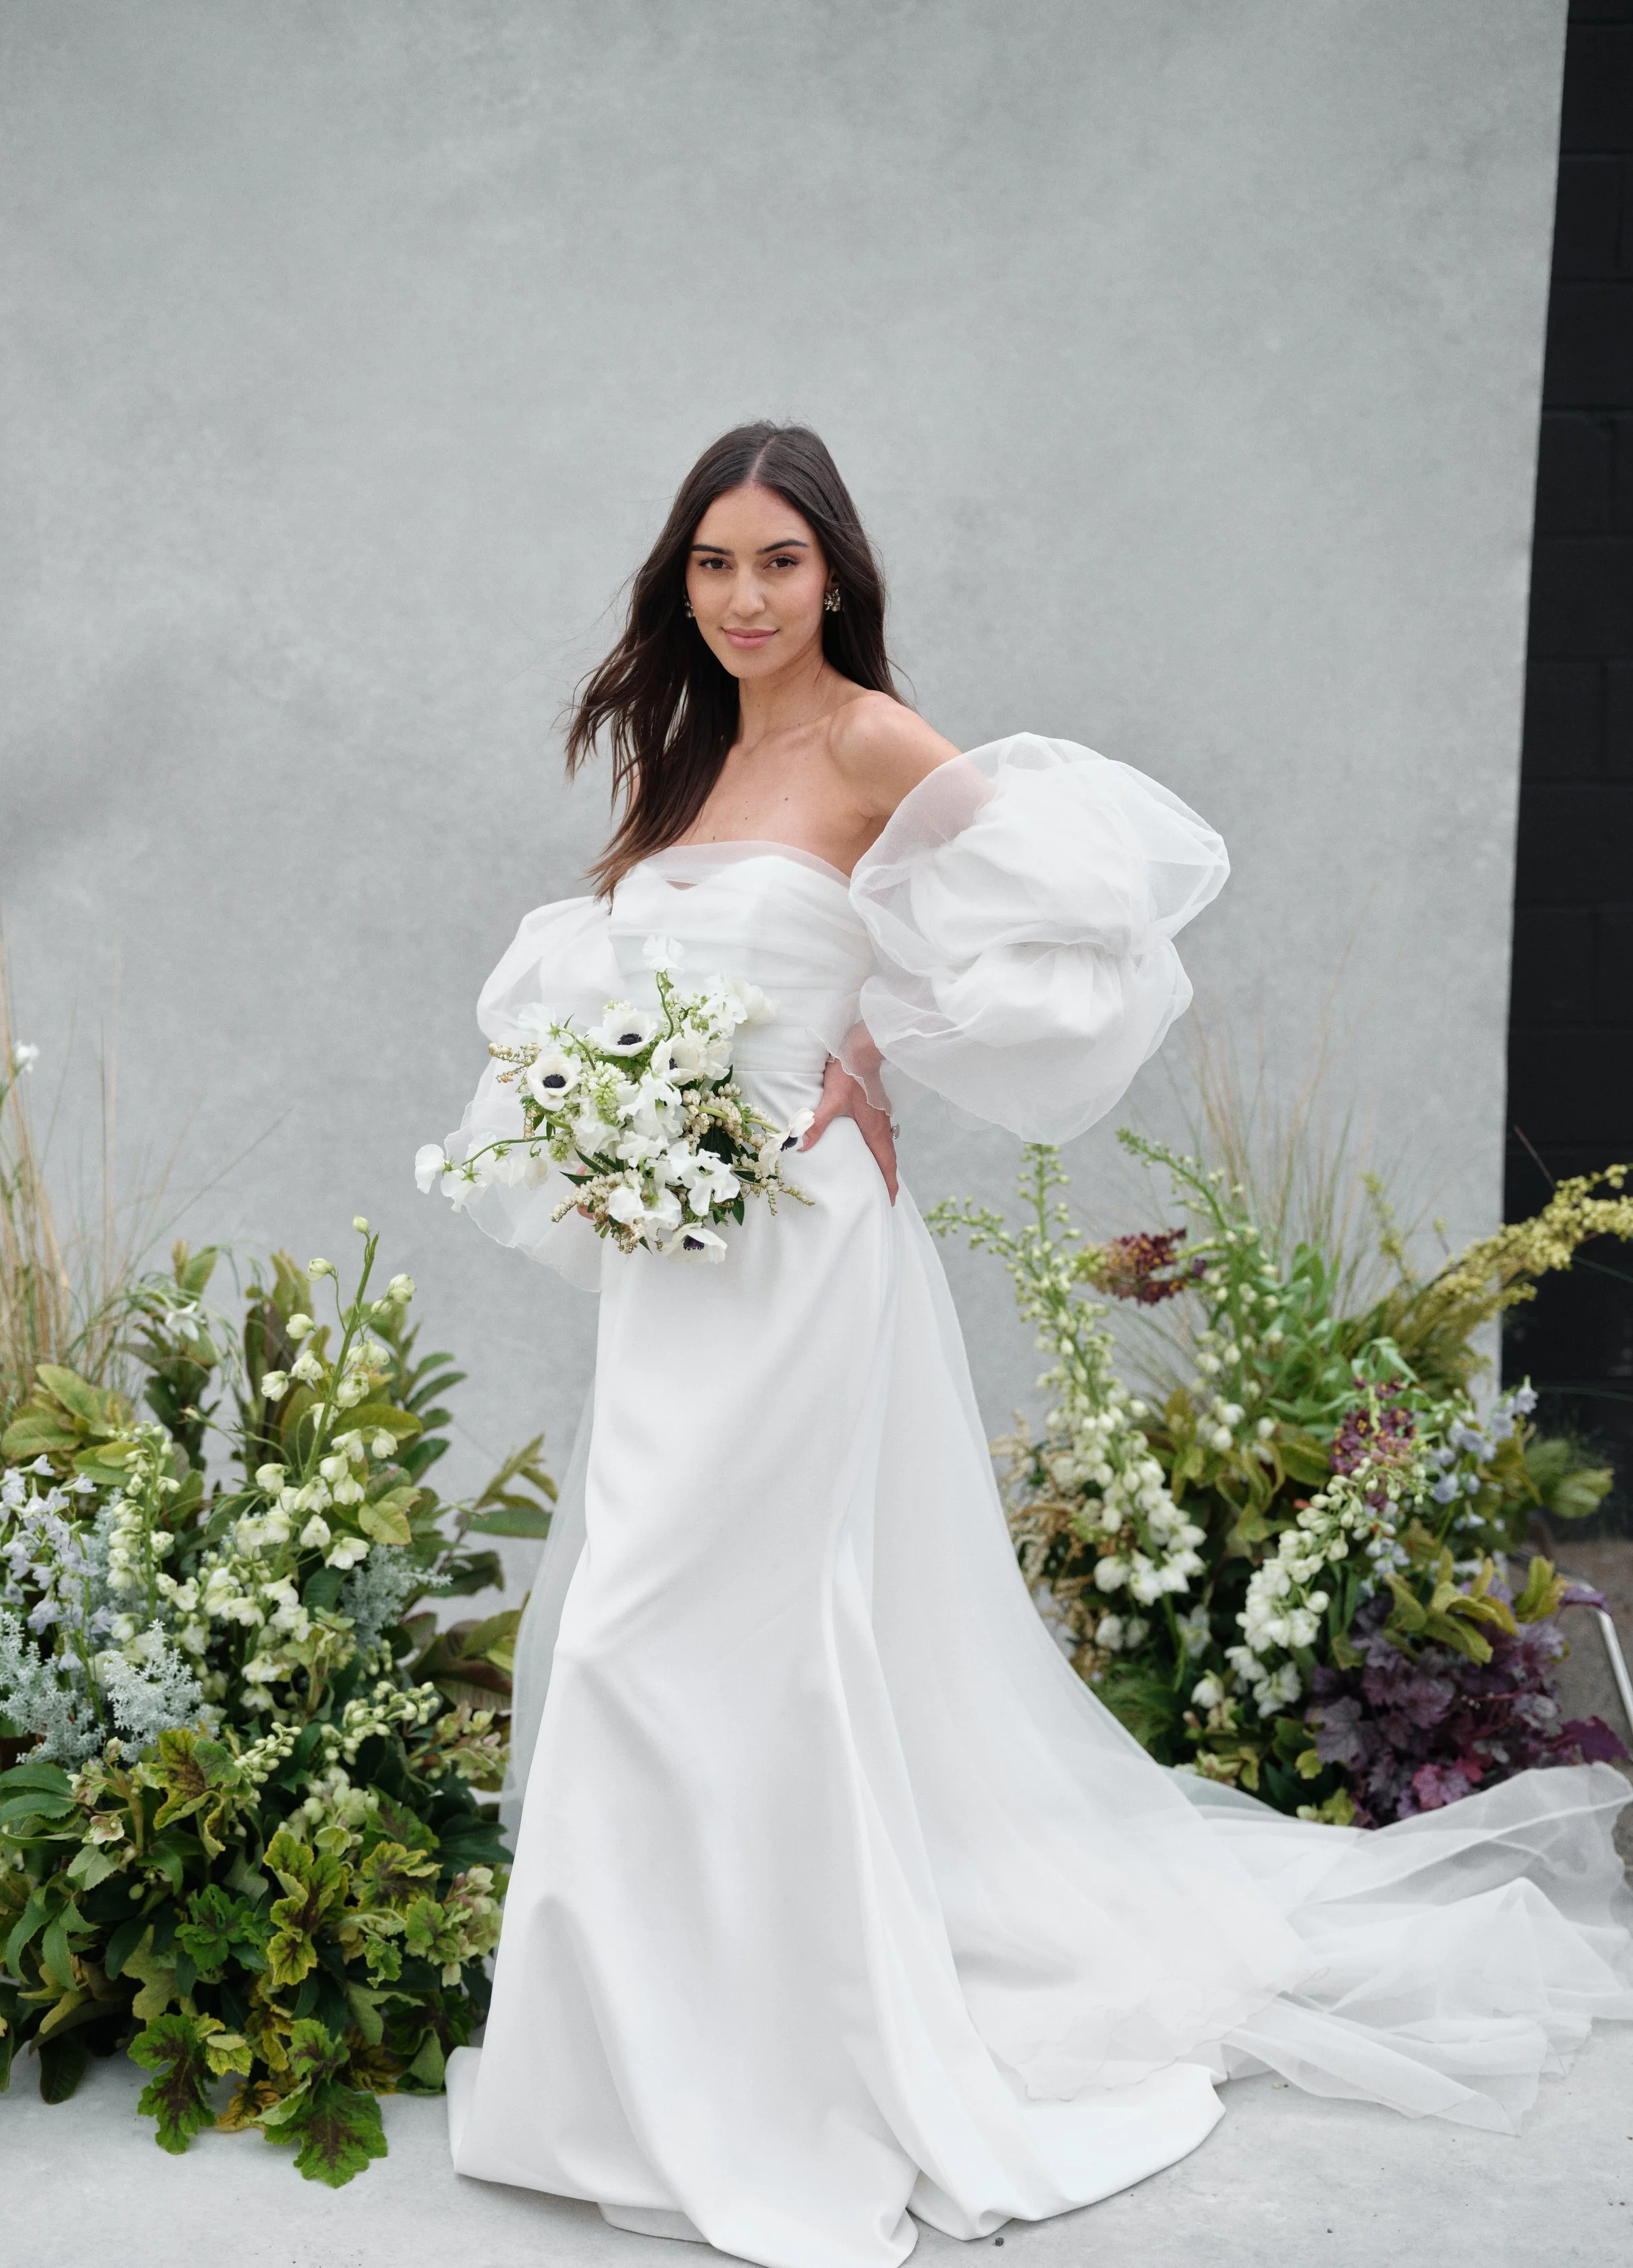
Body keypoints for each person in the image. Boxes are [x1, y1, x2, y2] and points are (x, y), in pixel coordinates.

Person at [439, 423, 1632, 2268]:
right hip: (677, 1269)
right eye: (712, 564)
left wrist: (880, 1046)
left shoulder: (868, 740)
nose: (744, 597)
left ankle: (784, 2079)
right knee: (635, 1632)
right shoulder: (689, 756)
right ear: (680, 581)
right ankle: (621, 2076)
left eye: (777, 561)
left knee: (732, 1639)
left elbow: (1084, 910)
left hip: (804, 1254)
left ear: (834, 574)